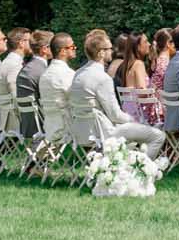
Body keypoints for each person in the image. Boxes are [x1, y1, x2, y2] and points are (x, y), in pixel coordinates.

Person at [71, 29, 167, 161]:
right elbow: (115, 115)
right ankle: (140, 171)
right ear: (101, 53)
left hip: (80, 131)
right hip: (103, 132)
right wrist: (133, 120)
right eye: (109, 48)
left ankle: (125, 166)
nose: (112, 50)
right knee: (158, 136)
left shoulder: (78, 74)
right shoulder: (102, 78)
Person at [38, 33, 77, 141]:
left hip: (50, 127)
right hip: (66, 127)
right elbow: (77, 99)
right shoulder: (67, 74)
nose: (75, 49)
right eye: (72, 47)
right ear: (63, 51)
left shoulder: (45, 75)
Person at [0, 27, 29, 130]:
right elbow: (16, 95)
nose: (32, 44)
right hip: (15, 120)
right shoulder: (14, 64)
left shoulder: (8, 61)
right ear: (21, 43)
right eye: (29, 41)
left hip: (9, 116)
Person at [16, 30, 52, 112]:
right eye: (53, 46)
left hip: (27, 121)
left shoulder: (27, 67)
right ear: (44, 49)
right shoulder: (43, 71)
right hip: (42, 121)